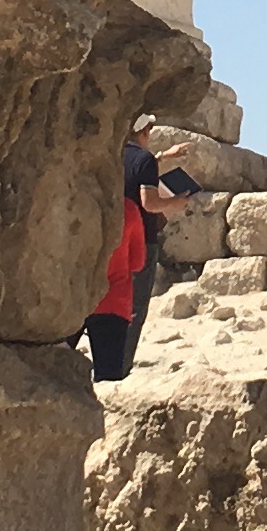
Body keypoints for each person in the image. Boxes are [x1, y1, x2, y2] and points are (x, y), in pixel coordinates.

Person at [81, 121, 201, 385]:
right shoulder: (144, 159)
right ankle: (120, 369)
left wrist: (163, 157)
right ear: (146, 131)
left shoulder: (113, 154)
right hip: (137, 235)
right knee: (132, 308)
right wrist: (176, 202)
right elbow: (149, 202)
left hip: (103, 232)